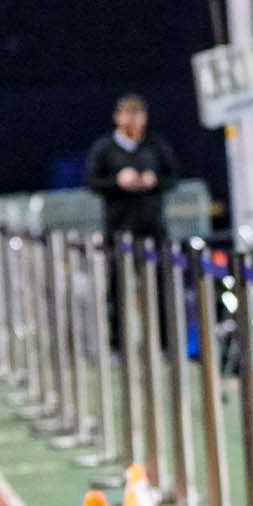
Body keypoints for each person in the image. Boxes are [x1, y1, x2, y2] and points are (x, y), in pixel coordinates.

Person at [85, 93, 180, 348]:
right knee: (117, 289)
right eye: (128, 114)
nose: (133, 120)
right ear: (117, 118)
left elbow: (172, 177)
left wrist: (153, 180)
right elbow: (92, 182)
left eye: (138, 114)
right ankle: (117, 344)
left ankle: (163, 343)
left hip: (153, 229)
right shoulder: (104, 148)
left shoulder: (155, 145)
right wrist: (117, 181)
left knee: (161, 289)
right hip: (119, 231)